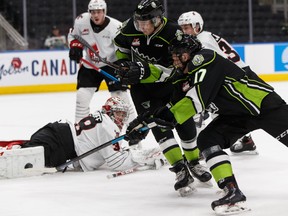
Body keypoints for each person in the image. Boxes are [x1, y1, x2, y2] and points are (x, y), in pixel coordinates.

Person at [125, 34, 288, 214]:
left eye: (175, 55)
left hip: (264, 106)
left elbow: (197, 101)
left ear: (186, 55)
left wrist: (167, 116)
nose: (173, 59)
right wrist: (144, 124)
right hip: (235, 116)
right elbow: (170, 108)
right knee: (208, 140)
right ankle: (232, 191)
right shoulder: (183, 77)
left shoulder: (205, 59)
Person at [113, 0, 211, 196]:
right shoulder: (129, 27)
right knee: (157, 126)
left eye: (145, 23)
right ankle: (179, 168)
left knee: (183, 123)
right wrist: (124, 65)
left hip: (170, 86)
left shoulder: (173, 33)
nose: (141, 28)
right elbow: (120, 45)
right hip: (142, 90)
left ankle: (193, 162)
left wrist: (144, 70)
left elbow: (179, 69)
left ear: (157, 19)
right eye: (138, 23)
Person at [0, 97, 165, 179]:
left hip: (58, 133)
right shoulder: (108, 126)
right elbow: (116, 162)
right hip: (61, 145)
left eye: (123, 115)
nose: (121, 119)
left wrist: (130, 145)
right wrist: (144, 157)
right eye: (119, 114)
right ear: (110, 112)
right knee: (22, 161)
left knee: (24, 152)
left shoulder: (102, 118)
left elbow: (106, 151)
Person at [177, 11, 257, 154]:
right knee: (225, 111)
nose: (184, 31)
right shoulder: (205, 37)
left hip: (232, 78)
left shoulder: (202, 41)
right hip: (235, 75)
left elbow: (207, 67)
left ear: (197, 26)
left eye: (187, 27)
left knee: (206, 109)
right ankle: (246, 141)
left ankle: (200, 147)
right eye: (182, 28)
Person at [67, 0, 137, 129]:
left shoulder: (116, 27)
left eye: (98, 12)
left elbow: (125, 48)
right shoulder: (81, 21)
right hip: (90, 65)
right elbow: (73, 36)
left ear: (104, 12)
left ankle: (135, 134)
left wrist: (124, 65)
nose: (95, 15)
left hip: (112, 64)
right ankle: (79, 133)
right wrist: (75, 46)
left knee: (121, 97)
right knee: (82, 96)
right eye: (93, 12)